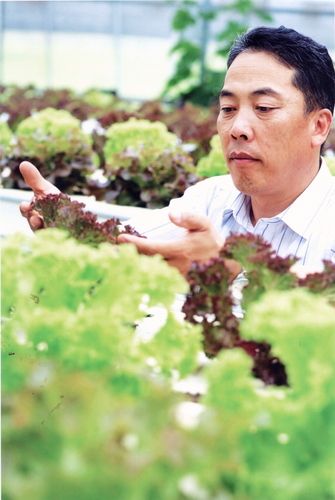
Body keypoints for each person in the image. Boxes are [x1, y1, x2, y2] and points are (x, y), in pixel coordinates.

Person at [19, 26, 335, 277]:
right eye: (228, 108)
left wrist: (224, 271)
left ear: (319, 126)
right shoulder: (208, 199)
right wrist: (71, 228)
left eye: (264, 107)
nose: (237, 128)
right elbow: (129, 245)